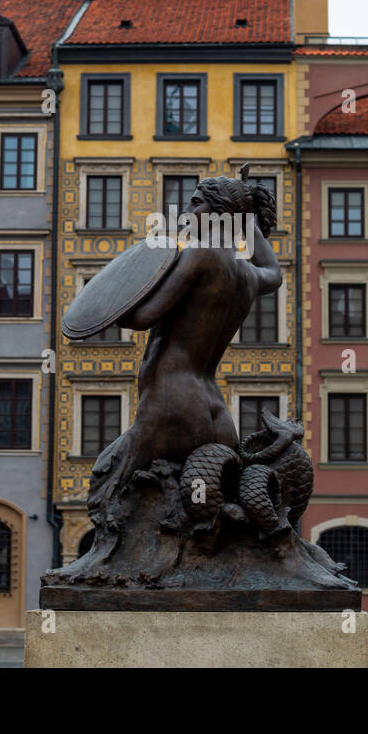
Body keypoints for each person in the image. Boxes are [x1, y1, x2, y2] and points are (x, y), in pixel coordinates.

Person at [86, 168, 280, 524]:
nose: (187, 213)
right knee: (215, 508)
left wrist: (106, 304)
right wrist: (245, 220)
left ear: (218, 215)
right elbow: (274, 272)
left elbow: (143, 316)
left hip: (170, 398)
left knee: (110, 494)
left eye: (196, 204)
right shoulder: (247, 274)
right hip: (213, 406)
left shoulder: (199, 253)